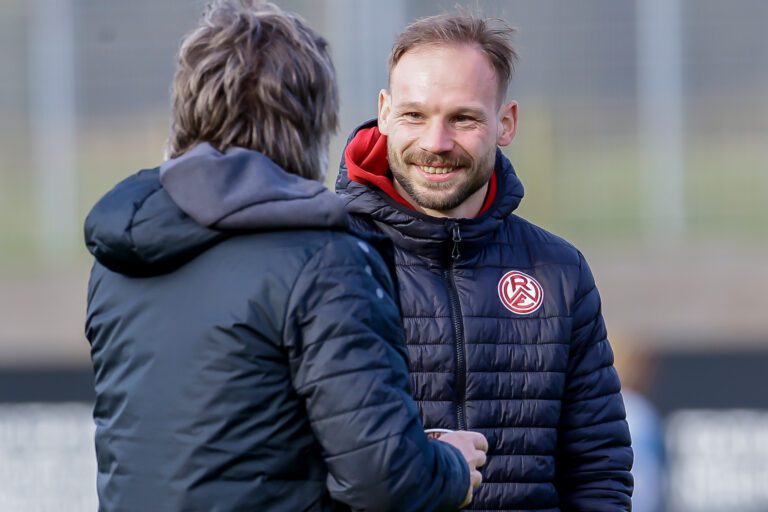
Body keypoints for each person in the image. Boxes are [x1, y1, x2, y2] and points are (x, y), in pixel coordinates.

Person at [84, 2, 487, 511]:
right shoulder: (325, 260)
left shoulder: (121, 256)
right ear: (312, 119)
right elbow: (382, 478)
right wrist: (448, 465)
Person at [335, 12, 634, 511]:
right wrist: (417, 463)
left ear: (506, 123)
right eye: (414, 115)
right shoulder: (322, 259)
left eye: (464, 118)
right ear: (384, 113)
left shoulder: (559, 271)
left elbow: (599, 472)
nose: (436, 142)